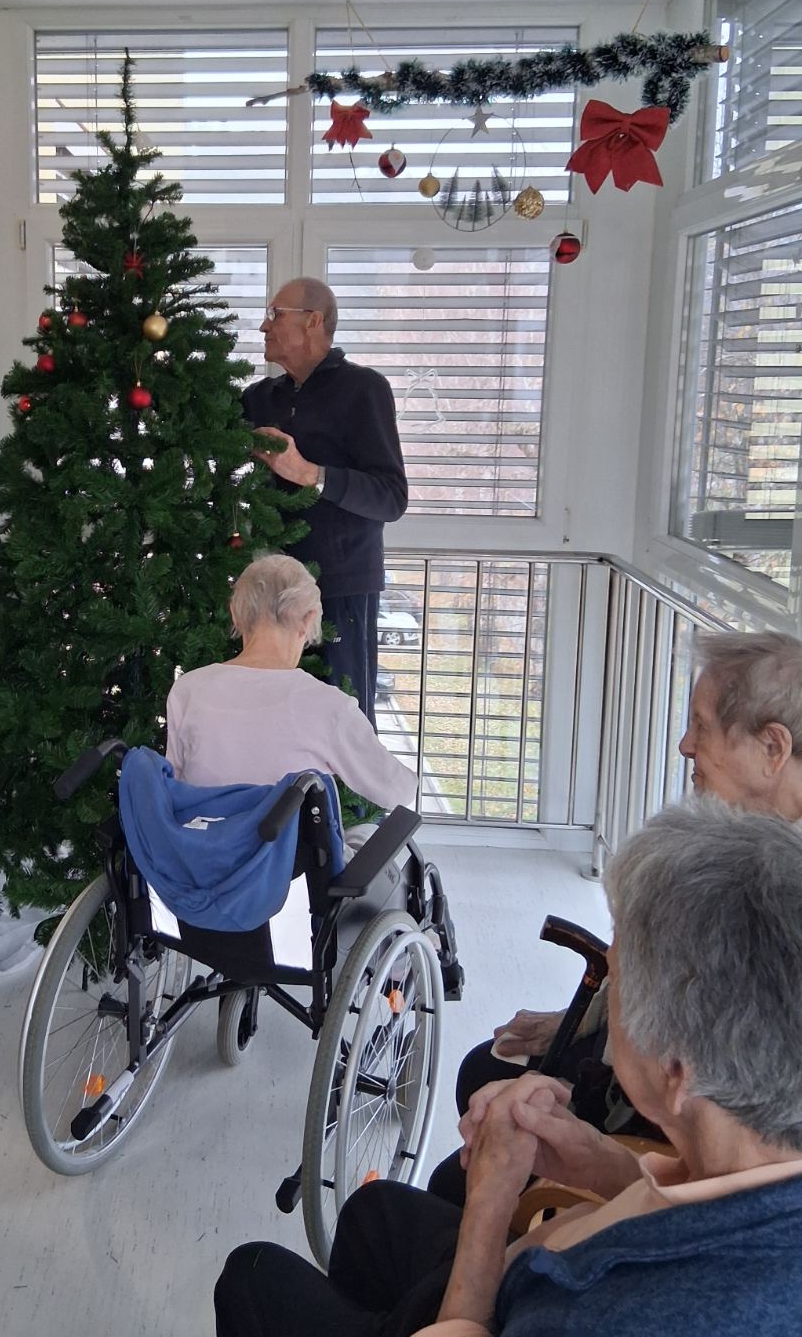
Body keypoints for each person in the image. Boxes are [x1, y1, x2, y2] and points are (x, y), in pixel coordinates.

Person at [214, 796, 802, 1335]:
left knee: (250, 1275)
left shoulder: (605, 1313)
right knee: (373, 1213)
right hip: (544, 1259)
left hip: (497, 1306)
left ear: (677, 1070)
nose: (606, 996)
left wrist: (491, 1203)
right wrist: (602, 1164)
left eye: (619, 982)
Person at [426, 626, 802, 1205]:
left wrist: (602, 1163)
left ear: (772, 749)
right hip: (661, 1073)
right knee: (483, 1071)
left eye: (701, 725)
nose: (685, 746)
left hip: (686, 1124)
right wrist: (583, 1017)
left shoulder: (777, 895)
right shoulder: (737, 839)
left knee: (455, 1174)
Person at [243, 279, 408, 728]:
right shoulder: (261, 399)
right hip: (268, 586)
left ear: (313, 321)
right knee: (271, 721)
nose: (264, 326)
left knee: (340, 720)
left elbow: (392, 498)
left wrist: (310, 474)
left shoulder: (365, 390)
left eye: (275, 314)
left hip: (339, 588)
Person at [166, 552, 416, 814]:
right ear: (308, 620)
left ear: (236, 615)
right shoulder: (329, 707)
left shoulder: (188, 689)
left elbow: (173, 787)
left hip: (199, 838)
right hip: (286, 842)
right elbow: (398, 791)